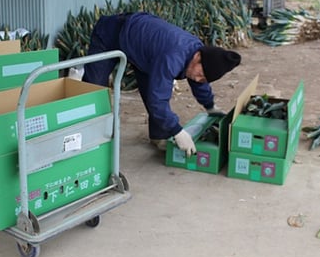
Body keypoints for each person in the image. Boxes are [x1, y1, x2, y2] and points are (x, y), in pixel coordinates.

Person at [82, 12, 241, 157]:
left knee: (153, 88)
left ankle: (159, 136)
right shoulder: (173, 57)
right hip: (111, 33)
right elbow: (157, 100)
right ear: (198, 57)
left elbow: (199, 81)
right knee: (94, 89)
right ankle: (86, 139)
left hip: (143, 49)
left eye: (204, 79)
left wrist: (210, 106)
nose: (198, 79)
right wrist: (178, 132)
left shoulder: (196, 55)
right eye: (200, 74)